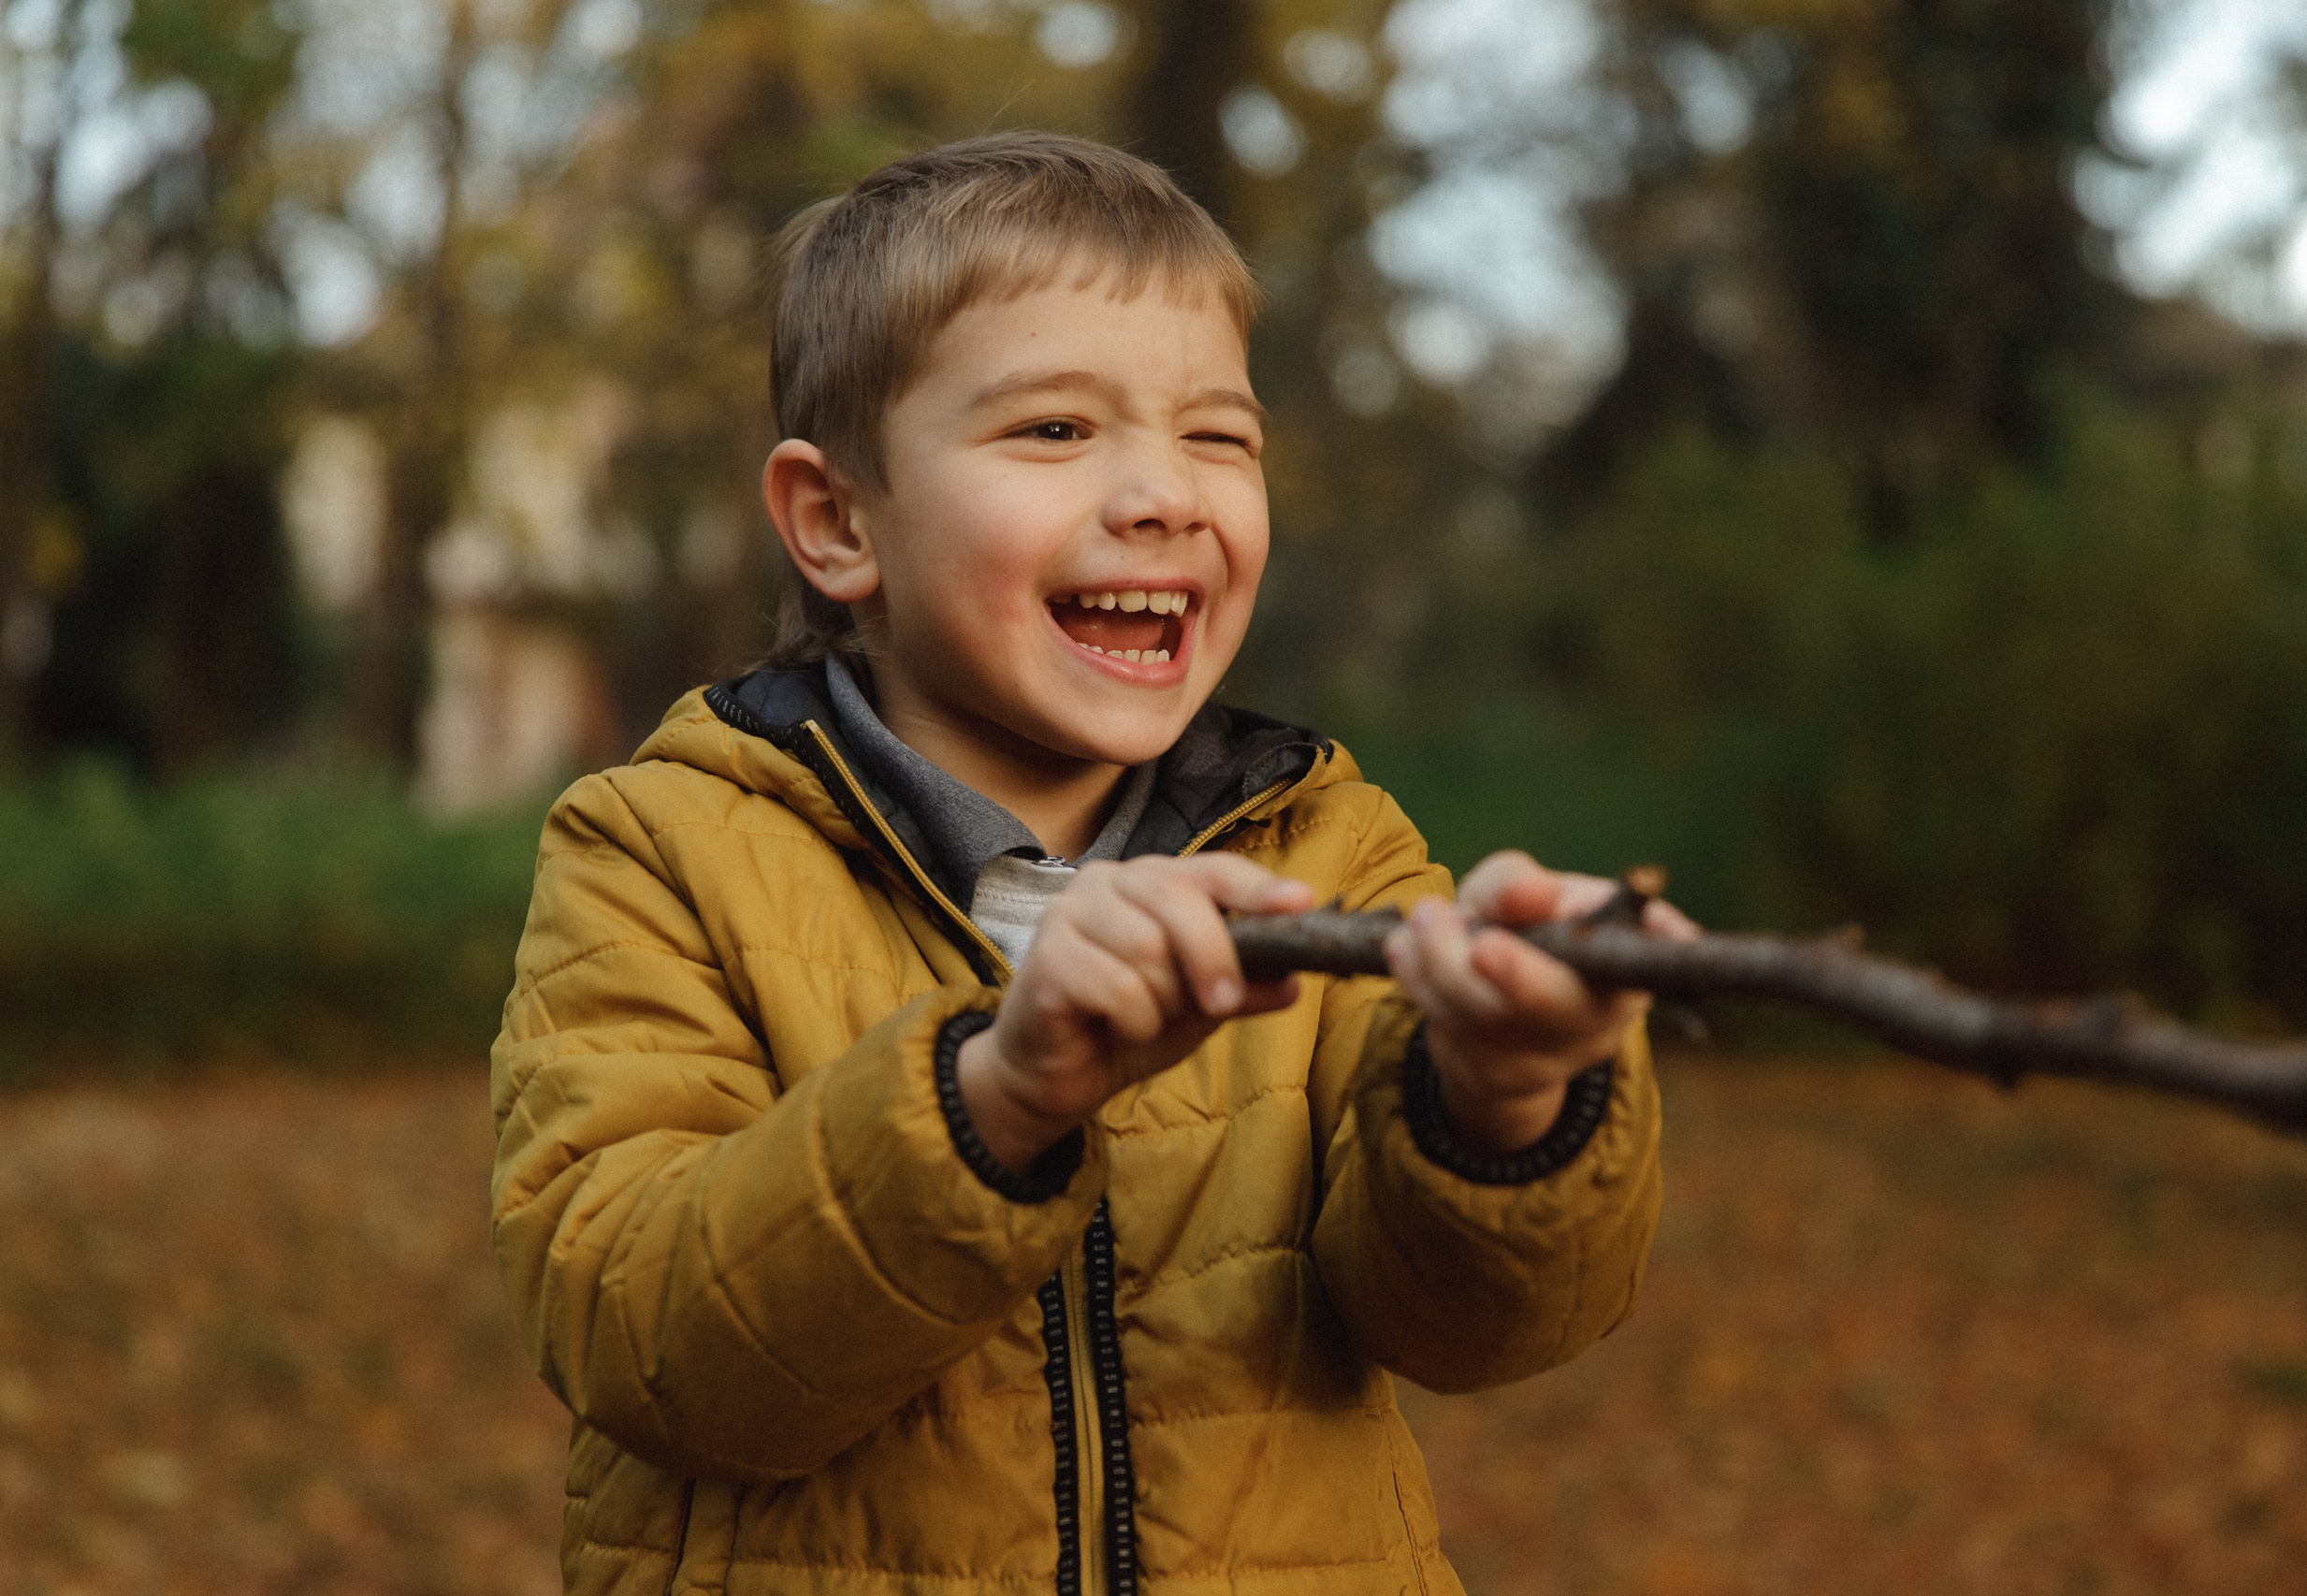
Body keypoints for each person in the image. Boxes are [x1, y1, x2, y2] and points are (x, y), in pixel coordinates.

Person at [489, 131, 1690, 1596]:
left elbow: (1474, 1324)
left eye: (1218, 436)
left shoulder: (1330, 851)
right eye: (1057, 430)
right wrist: (998, 1093)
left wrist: (1505, 1092)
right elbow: (644, 1332)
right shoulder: (665, 851)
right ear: (837, 521)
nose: (1165, 494)